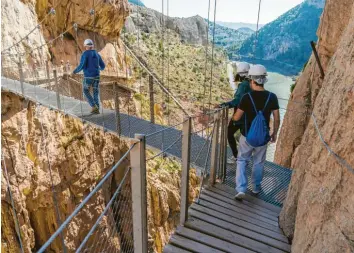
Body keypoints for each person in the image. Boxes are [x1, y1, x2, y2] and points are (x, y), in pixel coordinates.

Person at [232, 64, 280, 200]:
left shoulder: (246, 97)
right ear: (264, 80)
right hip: (263, 138)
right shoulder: (272, 97)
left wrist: (233, 118)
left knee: (242, 160)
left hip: (247, 136)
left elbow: (237, 117)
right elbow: (277, 118)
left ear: (252, 80)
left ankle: (241, 189)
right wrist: (274, 133)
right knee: (258, 162)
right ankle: (255, 187)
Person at [220, 62, 252, 164]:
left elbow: (237, 101)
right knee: (244, 137)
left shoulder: (243, 85)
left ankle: (236, 156)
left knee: (229, 133)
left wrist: (223, 105)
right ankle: (243, 158)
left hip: (240, 116)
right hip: (248, 117)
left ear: (242, 74)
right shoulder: (252, 84)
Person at [73, 39, 105, 114]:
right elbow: (103, 66)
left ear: (86, 46)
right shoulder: (97, 54)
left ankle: (93, 106)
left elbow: (82, 65)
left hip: (88, 77)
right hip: (97, 76)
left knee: (85, 90)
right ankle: (97, 109)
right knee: (95, 92)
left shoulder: (85, 54)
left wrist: (75, 71)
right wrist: (98, 69)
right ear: (92, 46)